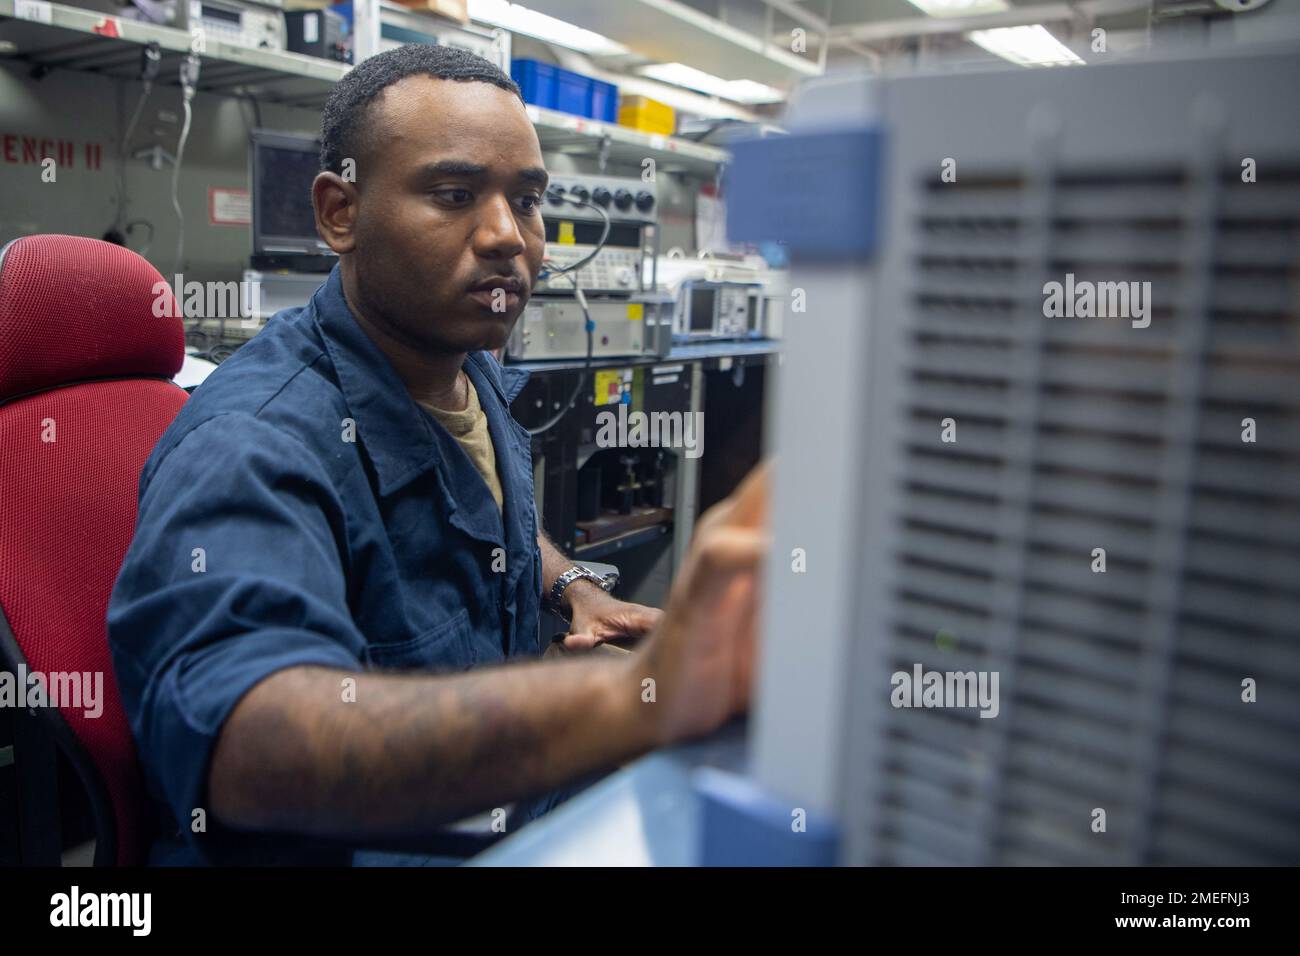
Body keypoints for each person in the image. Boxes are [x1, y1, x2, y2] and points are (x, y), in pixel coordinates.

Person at [107, 43, 768, 865]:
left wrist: (567, 585)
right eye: (454, 195)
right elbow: (248, 746)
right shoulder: (251, 444)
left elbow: (484, 509)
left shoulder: (463, 365)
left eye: (526, 201)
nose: (506, 238)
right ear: (339, 213)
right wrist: (637, 696)